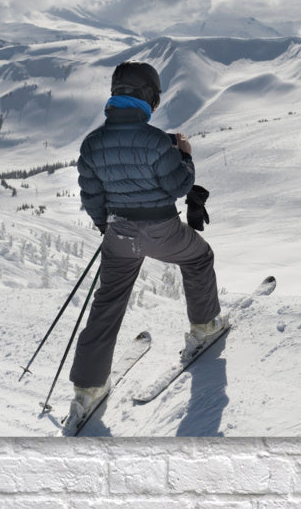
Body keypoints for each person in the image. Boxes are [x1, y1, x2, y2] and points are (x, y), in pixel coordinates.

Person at [66, 60, 226, 425]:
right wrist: (184, 154)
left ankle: (87, 389)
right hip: (162, 231)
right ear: (148, 99)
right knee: (199, 257)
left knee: (107, 303)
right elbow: (178, 186)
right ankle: (204, 329)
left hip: (118, 234)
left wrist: (103, 225)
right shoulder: (156, 140)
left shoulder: (92, 144)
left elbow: (91, 196)